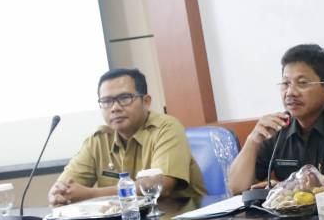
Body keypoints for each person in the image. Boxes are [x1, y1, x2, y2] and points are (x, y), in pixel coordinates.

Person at [227, 44, 324, 193]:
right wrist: (253, 140)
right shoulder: (277, 127)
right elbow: (236, 187)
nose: (290, 92)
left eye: (302, 83)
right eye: (286, 83)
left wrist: (311, 183)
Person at [48, 68, 206, 206]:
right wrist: (58, 194)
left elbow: (162, 186)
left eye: (124, 98)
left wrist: (91, 194)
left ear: (146, 101)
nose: (115, 108)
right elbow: (63, 187)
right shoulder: (98, 140)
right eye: (107, 101)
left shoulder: (167, 128)